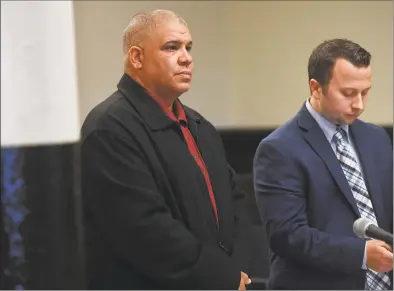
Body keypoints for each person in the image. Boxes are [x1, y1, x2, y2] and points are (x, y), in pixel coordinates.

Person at [80, 9, 252, 290]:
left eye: (188, 47)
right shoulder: (108, 128)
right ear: (137, 57)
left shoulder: (199, 126)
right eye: (171, 47)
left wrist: (239, 268)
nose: (186, 57)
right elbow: (144, 232)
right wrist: (222, 276)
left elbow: (233, 201)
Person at [253, 38, 393, 290]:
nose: (359, 104)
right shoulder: (279, 149)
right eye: (348, 93)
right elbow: (287, 236)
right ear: (316, 88)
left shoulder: (377, 138)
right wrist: (360, 255)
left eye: (365, 92)